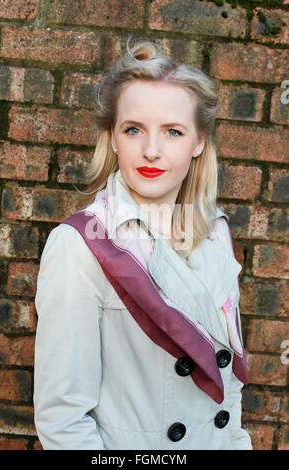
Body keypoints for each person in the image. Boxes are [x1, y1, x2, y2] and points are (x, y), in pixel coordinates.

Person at [33, 37, 253, 450]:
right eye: (133, 129)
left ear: (199, 142)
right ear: (113, 138)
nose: (151, 150)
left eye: (173, 131)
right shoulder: (80, 244)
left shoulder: (214, 233)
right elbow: (63, 418)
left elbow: (228, 388)